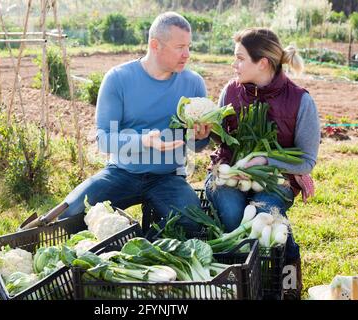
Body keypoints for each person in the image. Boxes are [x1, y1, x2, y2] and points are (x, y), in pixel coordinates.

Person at [43, 12, 211, 236]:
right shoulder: (118, 79)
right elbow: (104, 139)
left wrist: (199, 138)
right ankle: (121, 240)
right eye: (180, 47)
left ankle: (142, 249)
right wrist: (143, 141)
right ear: (155, 45)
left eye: (189, 46)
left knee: (193, 224)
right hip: (121, 173)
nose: (187, 54)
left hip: (168, 176)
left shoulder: (193, 84)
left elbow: (198, 146)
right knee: (70, 215)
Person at [204, 28, 321, 299]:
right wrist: (206, 131)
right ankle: (245, 283)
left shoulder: (301, 100)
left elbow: (306, 161)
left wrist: (265, 160)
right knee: (234, 215)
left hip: (276, 178)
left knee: (263, 214)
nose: (234, 64)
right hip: (230, 174)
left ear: (263, 63)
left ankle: (287, 269)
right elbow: (220, 142)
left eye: (240, 58)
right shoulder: (230, 91)